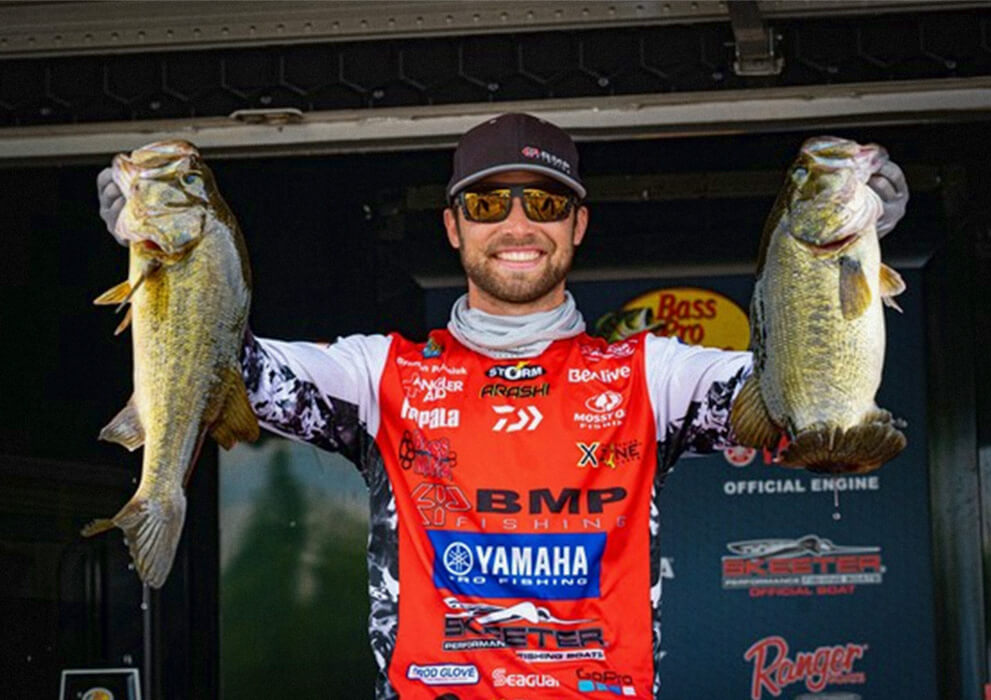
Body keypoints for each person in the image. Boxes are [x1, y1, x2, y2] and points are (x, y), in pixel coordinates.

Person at [96, 112, 908, 699]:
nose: (518, 225)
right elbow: (223, 365)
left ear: (578, 224)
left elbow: (796, 396)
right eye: (488, 204)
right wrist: (169, 250)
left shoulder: (653, 374)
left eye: (545, 203)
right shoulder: (378, 375)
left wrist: (852, 246)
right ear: (453, 227)